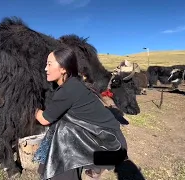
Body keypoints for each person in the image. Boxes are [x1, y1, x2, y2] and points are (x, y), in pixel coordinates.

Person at [33, 46, 128, 180]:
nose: (45, 69)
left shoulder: (67, 90)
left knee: (63, 134)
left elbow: (44, 119)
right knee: (63, 127)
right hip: (110, 138)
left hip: (109, 144)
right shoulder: (75, 83)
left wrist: (31, 107)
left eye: (49, 64)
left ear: (63, 68)